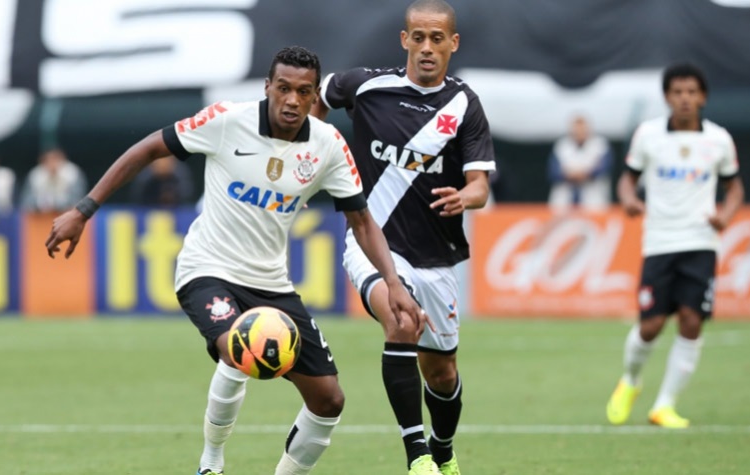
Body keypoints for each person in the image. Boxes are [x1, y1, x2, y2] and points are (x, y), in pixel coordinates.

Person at [45, 46, 427, 475]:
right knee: (239, 347)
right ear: (267, 87)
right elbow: (149, 149)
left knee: (329, 400)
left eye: (303, 92)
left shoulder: (327, 145)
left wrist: (393, 282)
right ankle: (211, 463)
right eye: (283, 89)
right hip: (207, 270)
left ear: (314, 95)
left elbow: (361, 219)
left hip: (272, 283)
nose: (291, 101)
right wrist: (83, 210)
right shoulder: (227, 121)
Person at [312, 1, 495, 473]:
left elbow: (480, 184)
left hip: (436, 256)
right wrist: (313, 147)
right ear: (404, 40)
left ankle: (444, 451)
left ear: (453, 43)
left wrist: (467, 198)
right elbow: (318, 99)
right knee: (402, 319)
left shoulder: (464, 104)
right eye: (418, 37)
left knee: (441, 370)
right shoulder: (367, 86)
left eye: (437, 38)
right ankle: (418, 459)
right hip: (372, 241)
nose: (427, 47)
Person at [606, 63, 744, 429]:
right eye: (677, 92)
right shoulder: (648, 135)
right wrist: (629, 200)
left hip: (701, 242)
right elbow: (627, 180)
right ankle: (631, 380)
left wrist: (726, 215)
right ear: (667, 96)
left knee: (691, 321)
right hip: (659, 243)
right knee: (650, 325)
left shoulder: (718, 139)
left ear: (703, 97)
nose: (684, 98)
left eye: (691, 92)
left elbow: (735, 188)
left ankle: (664, 405)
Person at [547, 115, 613, 212]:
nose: (579, 133)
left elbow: (604, 168)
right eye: (576, 130)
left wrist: (584, 173)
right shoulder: (562, 146)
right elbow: (553, 171)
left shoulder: (600, 145)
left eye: (582, 129)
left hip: (593, 200)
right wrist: (576, 174)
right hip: (564, 201)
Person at [20, 147, 87, 212]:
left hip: (68, 215)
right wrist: (41, 205)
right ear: (42, 161)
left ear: (62, 158)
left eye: (55, 159)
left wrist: (59, 205)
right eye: (48, 160)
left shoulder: (73, 173)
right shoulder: (35, 175)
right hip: (41, 217)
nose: (52, 163)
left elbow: (79, 200)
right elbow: (26, 203)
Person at [129, 155, 194, 206]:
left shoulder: (180, 173)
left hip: (177, 212)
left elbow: (187, 195)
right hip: (149, 211)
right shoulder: (146, 175)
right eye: (159, 159)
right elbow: (137, 196)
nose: (163, 162)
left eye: (167, 159)